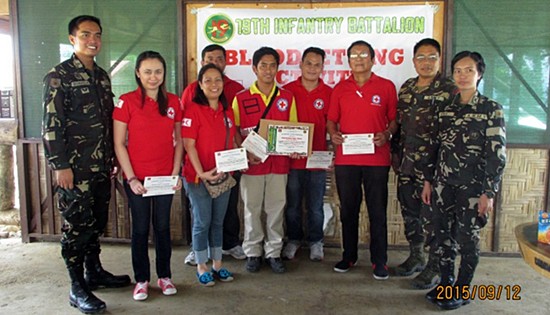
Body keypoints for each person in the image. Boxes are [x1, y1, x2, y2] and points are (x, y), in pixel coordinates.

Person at [42, 15, 130, 314]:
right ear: (72, 39)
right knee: (76, 227)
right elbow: (51, 124)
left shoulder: (102, 76)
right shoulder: (60, 75)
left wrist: (113, 159)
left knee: (95, 224)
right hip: (75, 170)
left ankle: (95, 272)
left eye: (97, 35)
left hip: (102, 165)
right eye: (85, 34)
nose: (93, 40)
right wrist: (60, 165)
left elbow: (109, 122)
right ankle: (76, 286)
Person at [421, 51, 506, 310]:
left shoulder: (491, 109)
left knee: (467, 239)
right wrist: (427, 181)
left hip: (473, 188)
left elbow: (496, 154)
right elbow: (433, 148)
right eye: (458, 70)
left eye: (469, 70)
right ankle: (446, 285)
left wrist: (488, 193)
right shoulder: (444, 109)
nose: (463, 75)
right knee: (442, 237)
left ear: (479, 74)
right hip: (443, 186)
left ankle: (462, 288)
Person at [113, 51, 183, 301]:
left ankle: (165, 276)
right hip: (137, 179)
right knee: (141, 229)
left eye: (158, 72)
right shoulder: (126, 102)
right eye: (147, 72)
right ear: (138, 73)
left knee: (163, 228)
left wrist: (175, 174)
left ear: (164, 74)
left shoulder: (174, 101)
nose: (153, 77)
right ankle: (141, 280)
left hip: (164, 179)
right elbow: (119, 143)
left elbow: (179, 142)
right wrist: (131, 178)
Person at [327, 40, 397, 280]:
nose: (359, 58)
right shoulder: (340, 88)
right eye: (354, 55)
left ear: (373, 59)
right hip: (346, 160)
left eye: (363, 54)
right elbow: (331, 120)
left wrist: (387, 134)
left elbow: (394, 120)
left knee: (377, 211)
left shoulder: (386, 87)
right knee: (348, 211)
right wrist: (333, 134)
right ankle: (349, 256)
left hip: (377, 160)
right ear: (348, 61)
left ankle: (380, 261)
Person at [391, 38, 455, 289]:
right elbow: (399, 126)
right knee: (410, 213)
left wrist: (438, 168)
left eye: (431, 58)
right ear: (413, 60)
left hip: (434, 169)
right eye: (421, 57)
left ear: (440, 61)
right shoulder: (407, 88)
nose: (426, 63)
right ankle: (416, 256)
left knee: (434, 218)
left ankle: (435, 266)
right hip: (407, 165)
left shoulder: (450, 89)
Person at [233, 47, 297, 273]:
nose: (268, 70)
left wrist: (295, 147)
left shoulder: (287, 98)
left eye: (272, 66)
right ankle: (252, 252)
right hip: (252, 165)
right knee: (251, 208)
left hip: (279, 165)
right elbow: (234, 132)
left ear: (278, 69)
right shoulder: (240, 98)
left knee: (276, 208)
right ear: (254, 68)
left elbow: (293, 129)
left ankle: (273, 252)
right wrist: (243, 153)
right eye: (263, 66)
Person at [182, 44, 246, 266]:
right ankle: (201, 263)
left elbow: (234, 137)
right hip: (198, 176)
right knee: (202, 221)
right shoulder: (192, 108)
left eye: (217, 80)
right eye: (207, 80)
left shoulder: (227, 110)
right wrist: (201, 173)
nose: (213, 84)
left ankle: (218, 264)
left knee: (218, 221)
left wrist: (244, 158)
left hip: (223, 174)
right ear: (200, 84)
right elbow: (189, 145)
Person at [281, 47, 332, 262]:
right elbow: (279, 124)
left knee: (315, 206)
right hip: (291, 161)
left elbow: (333, 125)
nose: (312, 68)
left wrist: (334, 153)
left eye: (317, 64)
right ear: (300, 65)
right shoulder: (286, 91)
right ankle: (293, 240)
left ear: (322, 67)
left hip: (317, 160)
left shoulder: (330, 93)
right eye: (308, 63)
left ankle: (315, 241)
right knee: (292, 206)